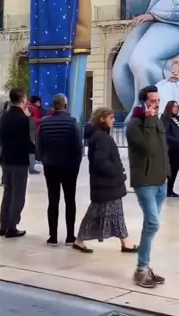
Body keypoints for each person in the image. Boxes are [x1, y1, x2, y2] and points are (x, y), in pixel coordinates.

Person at [73, 107, 137, 254]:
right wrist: (117, 172)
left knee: (110, 214)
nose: (113, 120)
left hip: (106, 184)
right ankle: (124, 241)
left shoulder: (100, 135)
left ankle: (124, 241)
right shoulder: (101, 137)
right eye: (111, 118)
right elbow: (100, 161)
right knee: (101, 213)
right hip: (106, 184)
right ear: (102, 119)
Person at [126, 85, 169, 288]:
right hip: (144, 181)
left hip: (160, 180)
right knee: (153, 223)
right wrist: (150, 120)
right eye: (152, 101)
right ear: (143, 102)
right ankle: (141, 269)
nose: (156, 104)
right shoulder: (134, 124)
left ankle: (143, 267)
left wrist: (167, 173)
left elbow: (162, 149)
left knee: (149, 226)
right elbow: (147, 147)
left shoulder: (157, 121)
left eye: (158, 101)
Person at [37, 93, 82, 245]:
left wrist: (44, 160)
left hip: (51, 166)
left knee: (53, 200)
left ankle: (53, 236)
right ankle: (70, 236)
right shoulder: (72, 122)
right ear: (65, 105)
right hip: (69, 166)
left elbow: (39, 146)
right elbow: (78, 146)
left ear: (53, 106)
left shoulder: (44, 123)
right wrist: (76, 164)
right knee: (70, 200)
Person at [0, 88, 32, 239]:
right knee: (18, 195)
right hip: (19, 160)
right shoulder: (23, 119)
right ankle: (12, 226)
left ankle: (3, 224)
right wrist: (35, 150)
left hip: (6, 159)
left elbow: (1, 136)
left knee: (8, 192)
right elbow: (26, 141)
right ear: (23, 99)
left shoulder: (4, 116)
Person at [161, 100, 179, 198]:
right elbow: (165, 134)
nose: (176, 108)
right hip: (170, 149)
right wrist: (177, 141)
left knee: (175, 169)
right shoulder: (165, 119)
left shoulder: (178, 119)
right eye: (174, 106)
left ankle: (170, 189)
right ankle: (167, 190)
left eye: (177, 107)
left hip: (178, 148)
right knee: (170, 170)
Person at [0, 100, 9, 185]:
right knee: (5, 160)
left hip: (4, 140)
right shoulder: (3, 115)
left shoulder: (2, 115)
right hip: (5, 141)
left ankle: (5, 179)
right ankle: (5, 179)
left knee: (3, 159)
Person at [26, 104, 40, 176]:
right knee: (31, 154)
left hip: (29, 139)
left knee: (30, 154)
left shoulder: (27, 120)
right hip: (32, 138)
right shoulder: (34, 120)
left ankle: (30, 168)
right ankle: (31, 168)